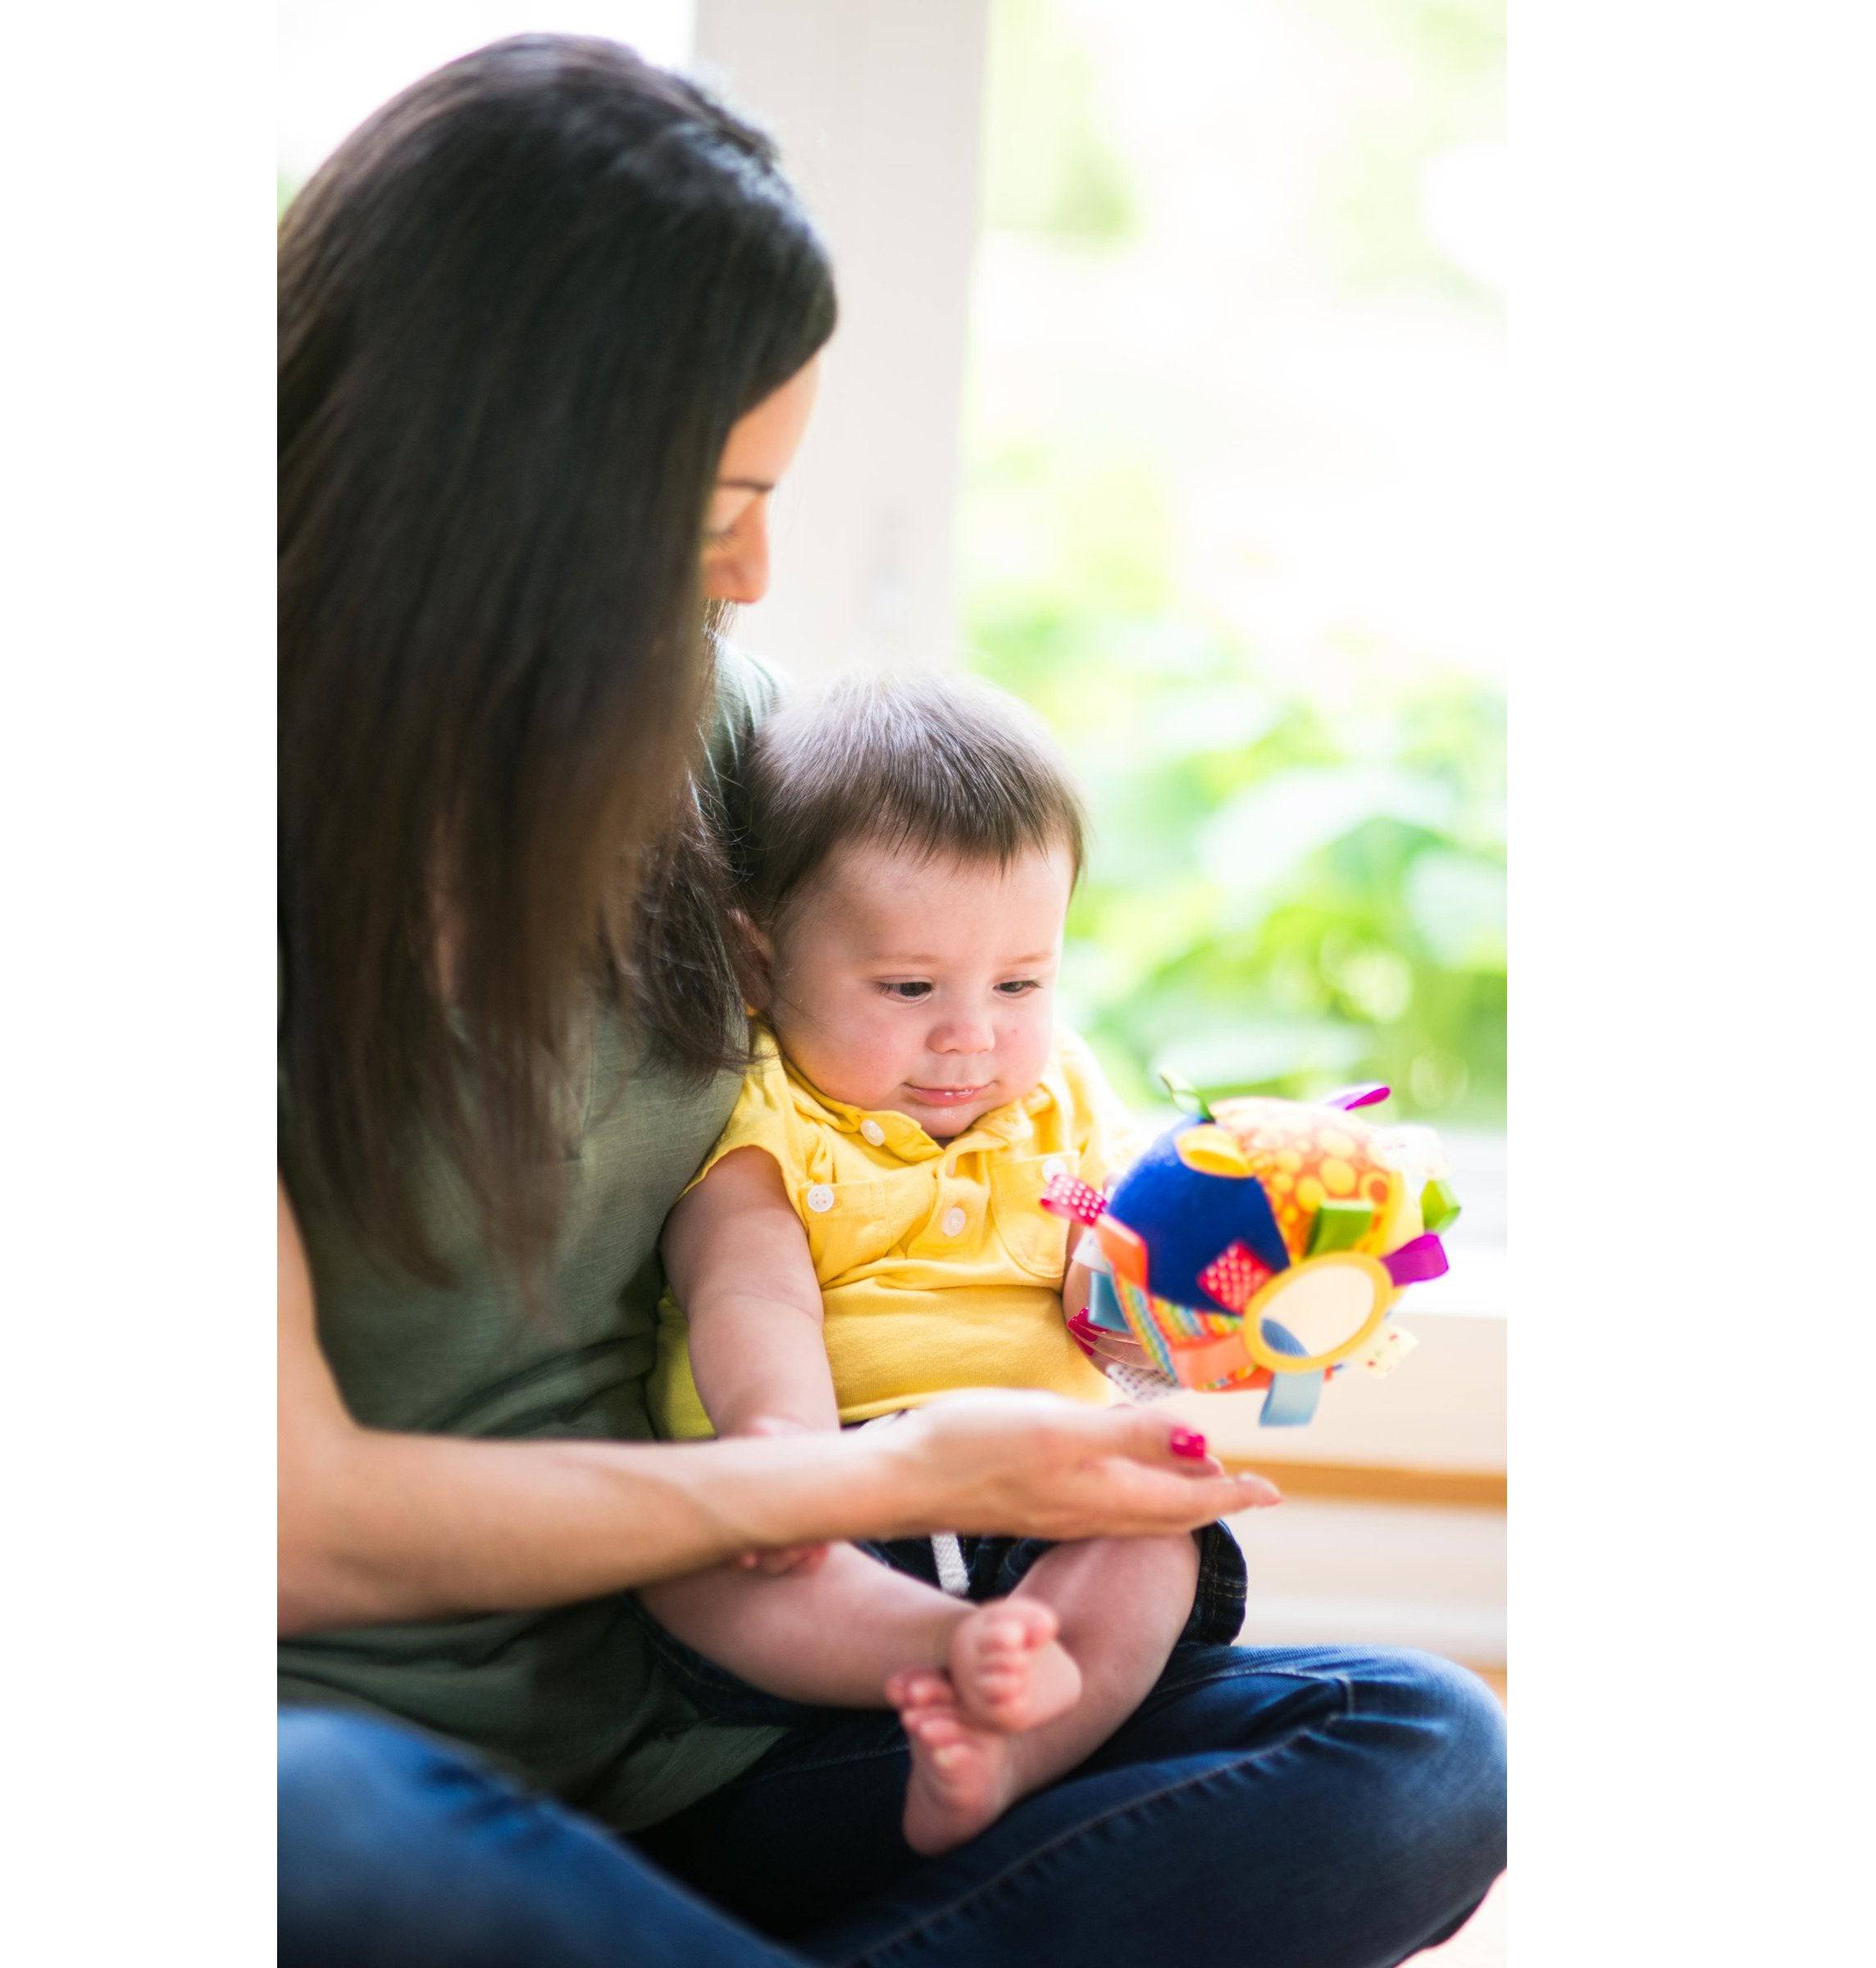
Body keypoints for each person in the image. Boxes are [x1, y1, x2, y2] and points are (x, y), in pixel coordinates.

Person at [278, 32, 1505, 1967]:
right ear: (496, 483)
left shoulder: (726, 743)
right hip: (369, 1751)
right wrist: (872, 1472)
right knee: (312, 1829)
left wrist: (1177, 1265)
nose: (755, 577)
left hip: (718, 1735)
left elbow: (977, 1060)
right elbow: (295, 1521)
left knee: (1415, 1749)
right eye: (705, 512)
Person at [637, 673, 1250, 1858]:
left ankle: (1014, 1736)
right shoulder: (775, 1115)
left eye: (1021, 983)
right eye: (911, 988)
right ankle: (941, 1651)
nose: (973, 1032)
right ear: (761, 966)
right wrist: (792, 1458)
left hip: (1037, 1491)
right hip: (840, 1494)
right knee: (690, 1570)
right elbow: (747, 1285)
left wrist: (1166, 1314)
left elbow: (1105, 1280)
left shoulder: (1065, 1094)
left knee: (1155, 1542)